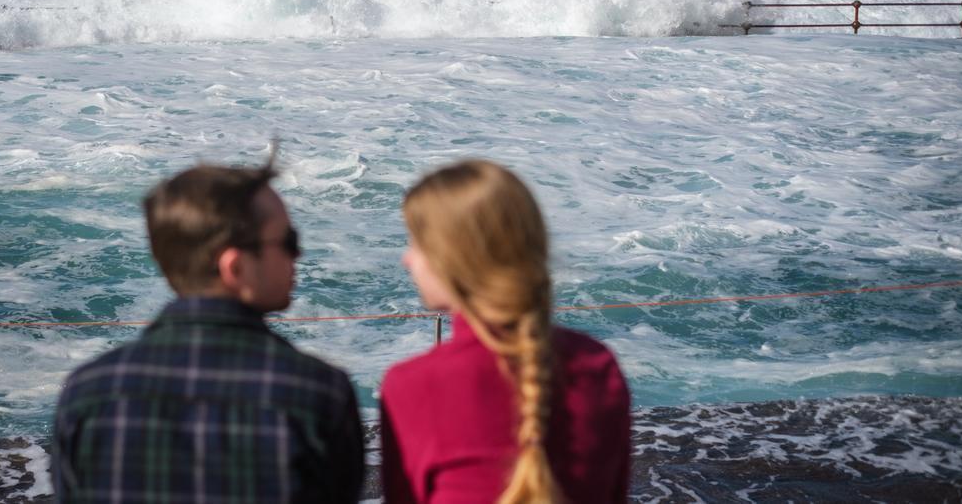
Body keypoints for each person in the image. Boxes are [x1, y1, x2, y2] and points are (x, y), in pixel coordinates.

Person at [52, 160, 365, 504]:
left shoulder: (87, 395)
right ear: (235, 267)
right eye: (289, 241)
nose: (299, 254)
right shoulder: (316, 394)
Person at [380, 160, 631, 504]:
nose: (407, 260)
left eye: (416, 243)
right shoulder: (598, 366)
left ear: (454, 258)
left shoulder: (413, 385)